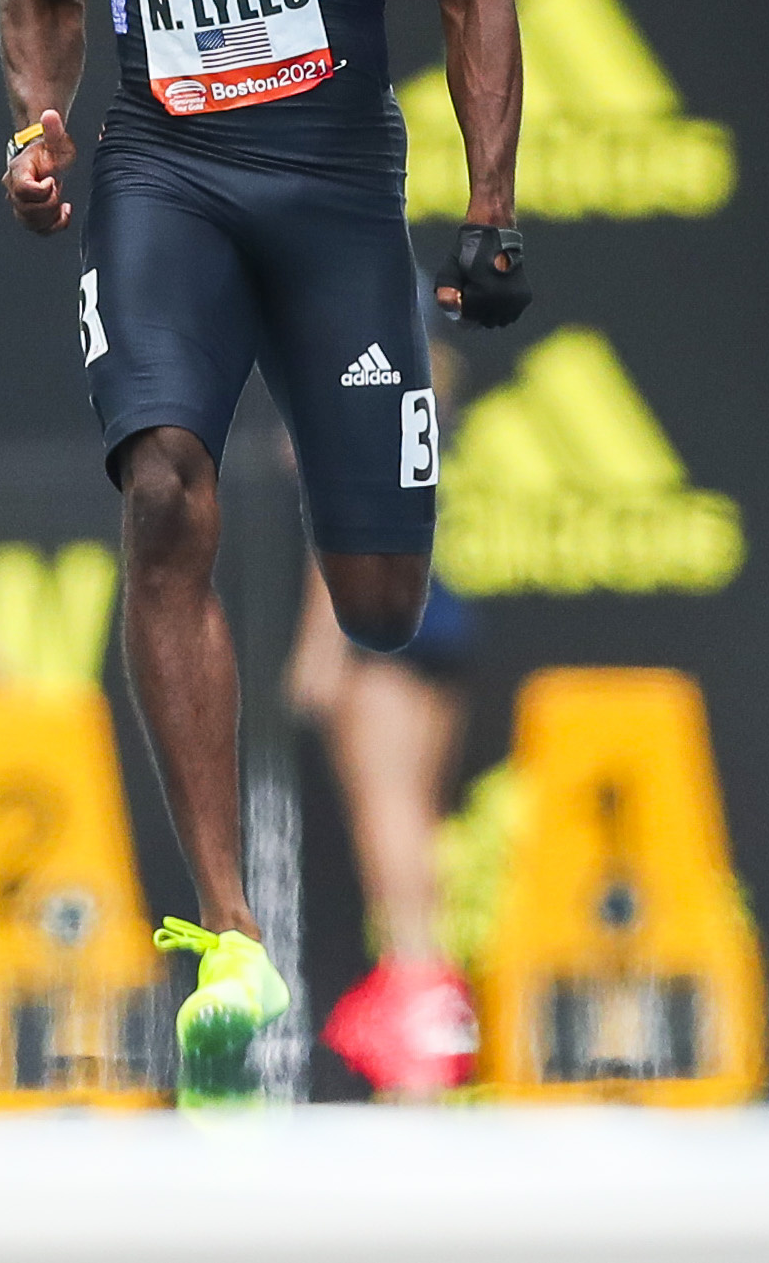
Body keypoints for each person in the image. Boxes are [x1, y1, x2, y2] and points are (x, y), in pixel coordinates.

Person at [0, 0, 528, 1103]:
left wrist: (491, 205)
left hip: (334, 196)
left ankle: (355, 619)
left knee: (376, 606)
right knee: (163, 485)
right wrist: (38, 118)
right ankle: (228, 937)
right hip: (162, 179)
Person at [285, 337, 478, 1100]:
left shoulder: (364, 403)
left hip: (384, 624)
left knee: (388, 806)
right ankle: (423, 982)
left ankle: (418, 984)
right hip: (440, 613)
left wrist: (318, 646)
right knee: (417, 809)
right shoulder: (429, 405)